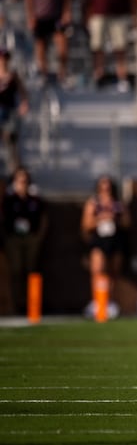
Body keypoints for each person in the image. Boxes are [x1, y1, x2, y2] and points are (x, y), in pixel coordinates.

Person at [80, 174, 130, 317]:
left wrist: (115, 218)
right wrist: (100, 218)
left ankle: (110, 302)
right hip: (99, 240)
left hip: (115, 239)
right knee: (98, 270)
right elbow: (86, 224)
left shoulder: (118, 204)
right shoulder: (93, 203)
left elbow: (128, 222)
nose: (106, 187)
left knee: (113, 272)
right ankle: (97, 301)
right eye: (103, 184)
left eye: (108, 184)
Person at [1, 167, 47, 315]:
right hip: (14, 238)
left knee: (31, 270)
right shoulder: (9, 198)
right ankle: (16, 304)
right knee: (16, 271)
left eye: (25, 180)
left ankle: (32, 305)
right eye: (20, 180)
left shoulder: (34, 198)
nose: (23, 183)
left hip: (31, 237)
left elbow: (43, 218)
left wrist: (39, 236)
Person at [0, 47, 29, 175]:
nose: (3, 61)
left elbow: (23, 92)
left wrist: (24, 103)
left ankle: (14, 170)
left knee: (11, 140)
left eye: (5, 58)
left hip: (9, 111)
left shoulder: (13, 75)